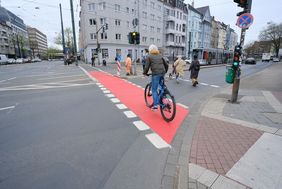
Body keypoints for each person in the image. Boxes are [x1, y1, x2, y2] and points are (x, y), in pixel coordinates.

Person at [143, 44, 168, 111]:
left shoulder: (149, 56)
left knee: (154, 90)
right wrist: (165, 72)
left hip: (156, 74)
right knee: (161, 87)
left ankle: (155, 106)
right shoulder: (160, 55)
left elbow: (146, 67)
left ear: (150, 50)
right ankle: (164, 99)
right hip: (162, 73)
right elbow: (166, 64)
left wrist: (145, 73)